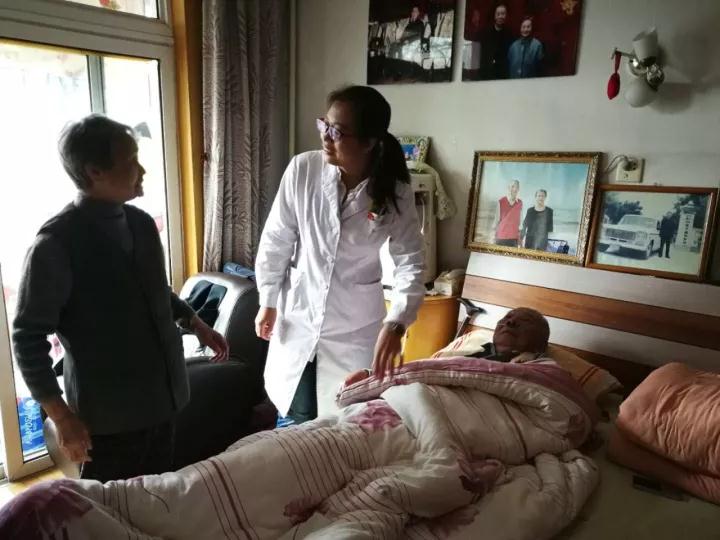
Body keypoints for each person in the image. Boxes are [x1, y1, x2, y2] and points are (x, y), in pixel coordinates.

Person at [12, 115, 229, 482]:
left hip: (164, 402)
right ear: (95, 172)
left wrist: (196, 324)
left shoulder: (141, 224)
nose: (141, 170)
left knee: (159, 494)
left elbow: (155, 291)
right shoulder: (56, 245)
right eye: (131, 161)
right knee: (111, 508)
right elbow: (26, 338)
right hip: (108, 420)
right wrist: (62, 416)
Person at [254, 85, 425, 423]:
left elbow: (411, 262)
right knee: (294, 415)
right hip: (298, 317)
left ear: (369, 141)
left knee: (344, 420)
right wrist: (268, 299)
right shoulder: (303, 169)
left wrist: (397, 323)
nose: (325, 137)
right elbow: (277, 238)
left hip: (354, 329)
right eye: (325, 125)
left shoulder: (395, 192)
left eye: (338, 132)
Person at [344, 307, 550, 386]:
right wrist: (373, 376)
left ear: (539, 342)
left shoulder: (538, 369)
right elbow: (426, 370)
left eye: (524, 322)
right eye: (507, 317)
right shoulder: (467, 353)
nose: (510, 322)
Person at [479, 3, 512, 79]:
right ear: (494, 16)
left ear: (506, 16)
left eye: (503, 14)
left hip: (502, 73)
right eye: (498, 14)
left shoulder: (509, 34)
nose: (500, 16)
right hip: (487, 73)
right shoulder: (485, 33)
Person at [493, 179, 523, 247]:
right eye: (512, 186)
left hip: (514, 239)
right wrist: (493, 238)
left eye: (516, 187)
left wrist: (520, 241)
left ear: (518, 189)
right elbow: (496, 221)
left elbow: (520, 223)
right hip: (501, 238)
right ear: (508, 188)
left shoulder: (520, 203)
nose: (514, 189)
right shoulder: (501, 201)